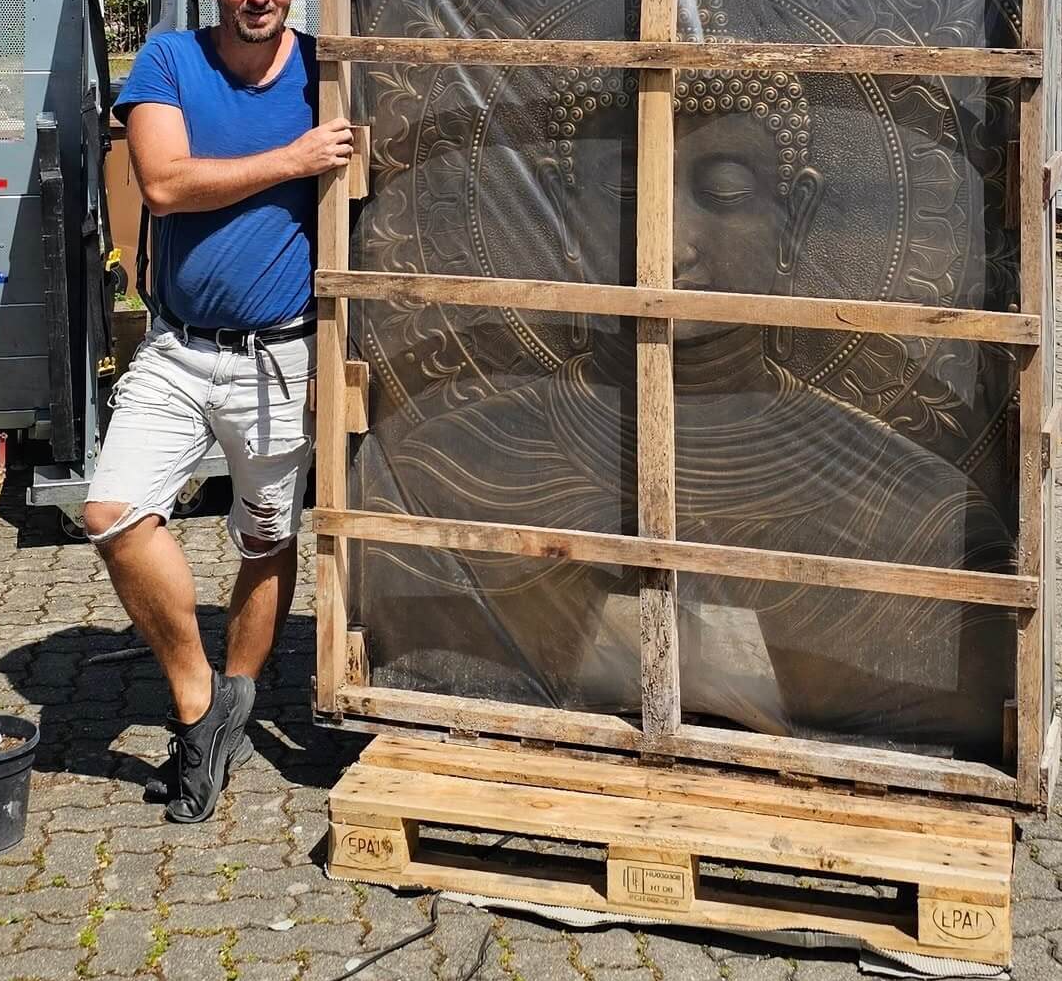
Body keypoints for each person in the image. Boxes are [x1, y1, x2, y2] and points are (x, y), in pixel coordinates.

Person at [359, 69, 1018, 760]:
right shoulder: (446, 467)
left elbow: (935, 702)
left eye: (725, 192)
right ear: (564, 216)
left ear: (792, 218)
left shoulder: (915, 507)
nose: (668, 246)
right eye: (622, 192)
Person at [83, 0, 353, 823]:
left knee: (266, 540)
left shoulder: (328, 66)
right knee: (112, 513)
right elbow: (162, 182)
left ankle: (238, 693)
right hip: (178, 346)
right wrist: (295, 158)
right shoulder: (169, 61)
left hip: (281, 355)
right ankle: (202, 703)